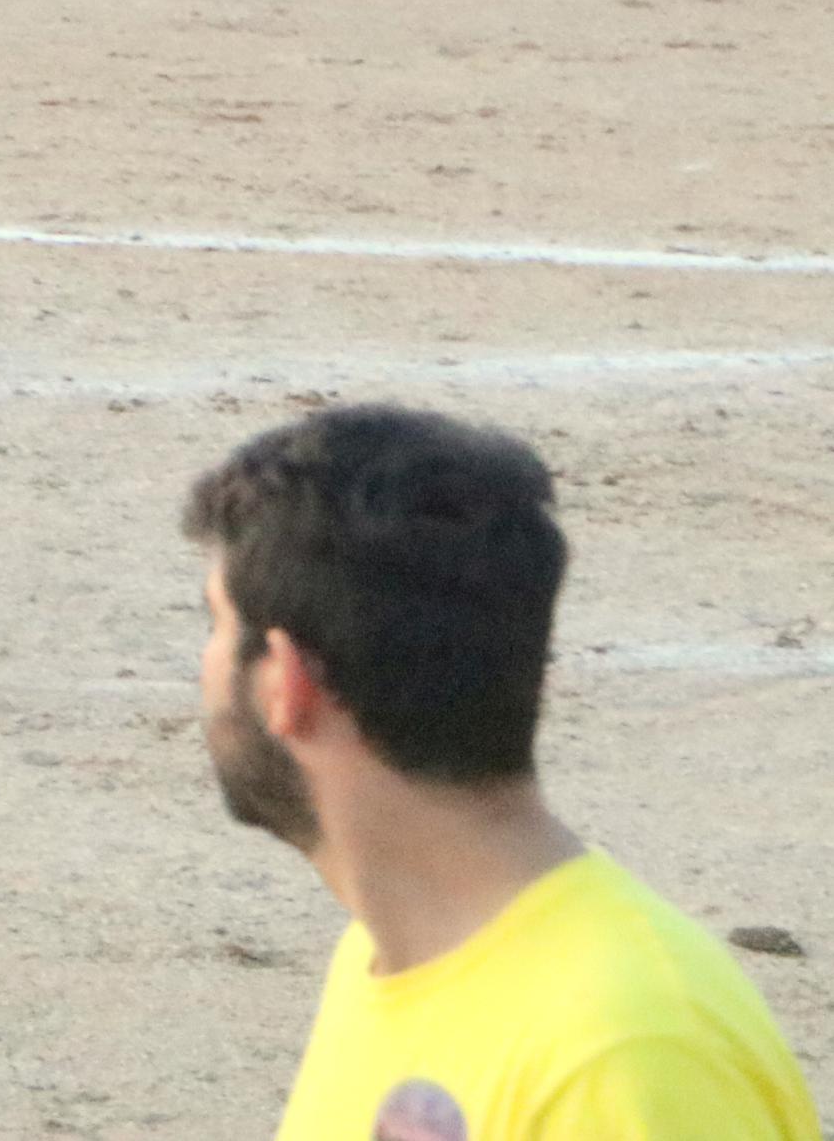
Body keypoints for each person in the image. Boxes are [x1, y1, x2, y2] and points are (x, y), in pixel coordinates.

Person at [183, 405, 820, 1133]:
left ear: (285, 685)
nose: (200, 667)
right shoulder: (392, 950)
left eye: (215, 624)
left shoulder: (619, 1055)